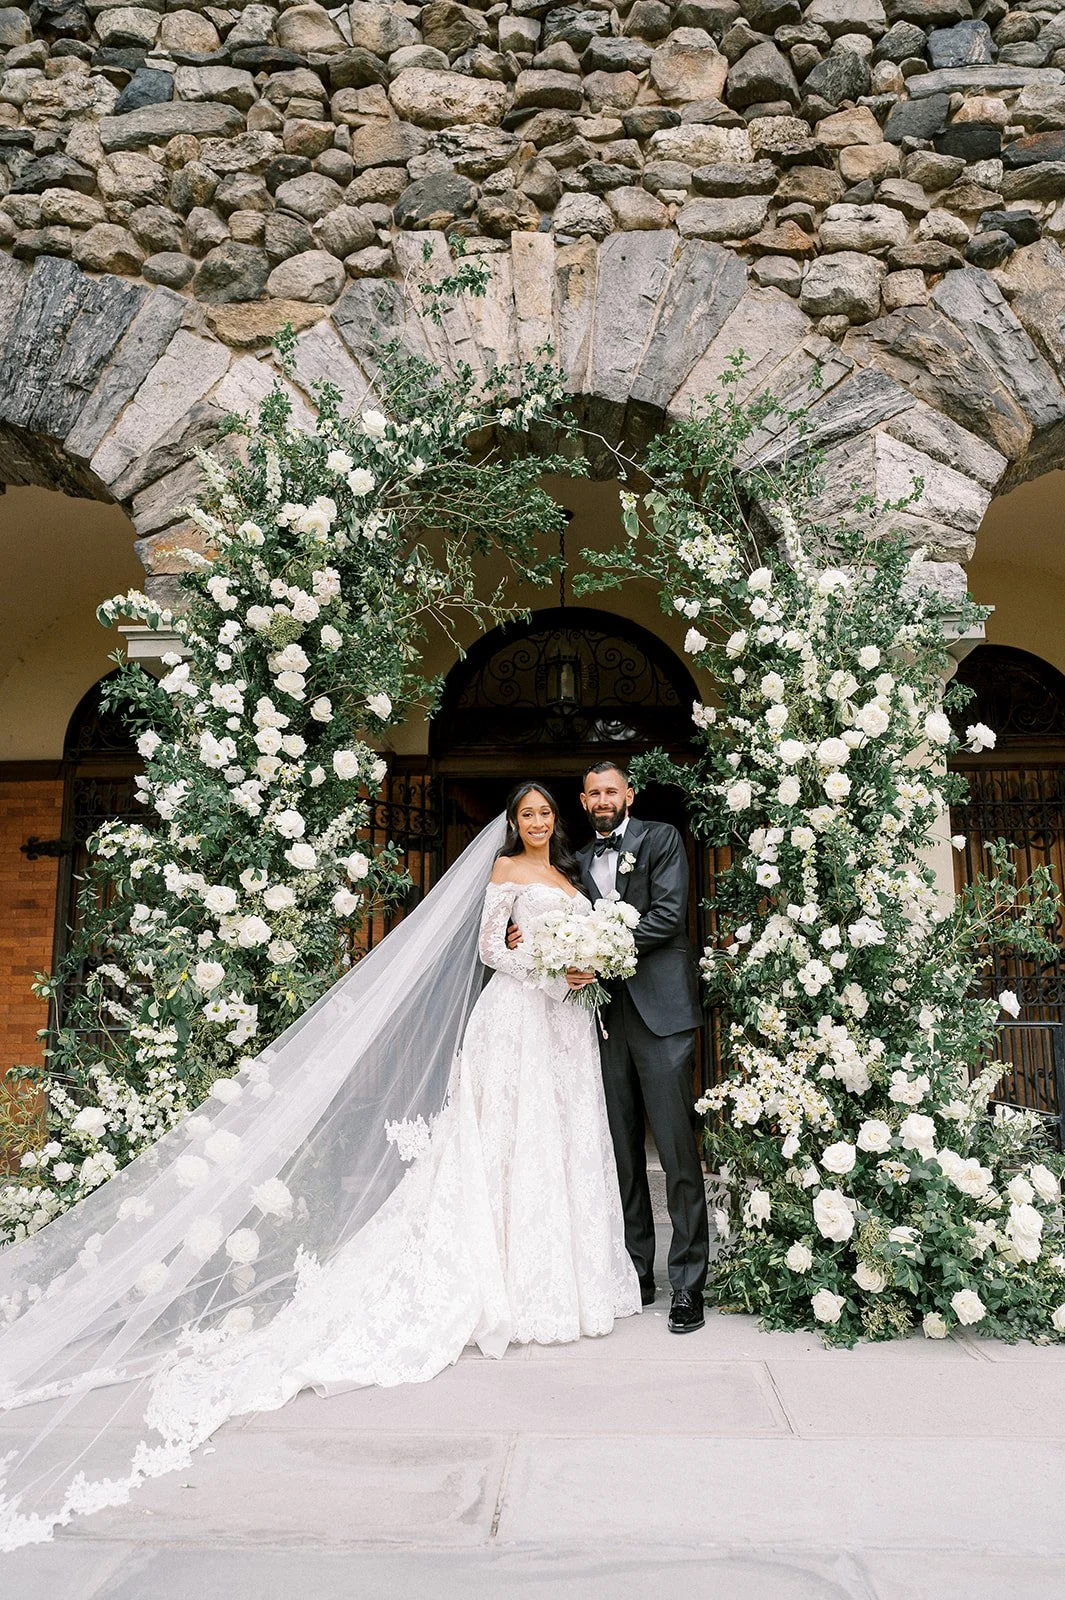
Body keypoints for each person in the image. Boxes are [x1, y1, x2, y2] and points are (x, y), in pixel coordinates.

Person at [0, 786, 639, 1552]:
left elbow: (587, 942)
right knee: (507, 1145)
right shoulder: (503, 869)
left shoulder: (570, 873)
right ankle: (503, 1272)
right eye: (527, 815)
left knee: (560, 1141)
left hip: (563, 1030)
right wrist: (546, 964)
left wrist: (584, 969)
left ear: (556, 822)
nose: (537, 824)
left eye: (544, 815)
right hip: (516, 1020)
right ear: (513, 823)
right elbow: (490, 950)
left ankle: (565, 1277)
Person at [508, 762, 709, 1333]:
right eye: (593, 793)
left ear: (629, 795)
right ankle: (636, 1272)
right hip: (599, 1016)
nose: (602, 800)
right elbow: (548, 911)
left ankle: (688, 1283)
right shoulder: (570, 859)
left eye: (611, 791)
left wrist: (598, 950)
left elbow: (668, 917)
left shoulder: (661, 839)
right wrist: (526, 935)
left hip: (661, 1011)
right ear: (583, 799)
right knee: (618, 1150)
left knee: (674, 1151)